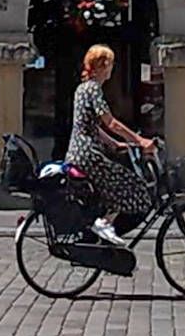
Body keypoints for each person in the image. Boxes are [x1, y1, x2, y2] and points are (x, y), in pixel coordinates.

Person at [64, 43, 166, 245]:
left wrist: (114, 144)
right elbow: (110, 123)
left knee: (113, 186)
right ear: (102, 66)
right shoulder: (93, 89)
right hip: (89, 155)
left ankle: (103, 230)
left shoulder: (82, 88)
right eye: (110, 64)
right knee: (132, 184)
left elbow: (91, 125)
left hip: (77, 152)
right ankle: (104, 222)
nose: (112, 68)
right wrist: (140, 141)